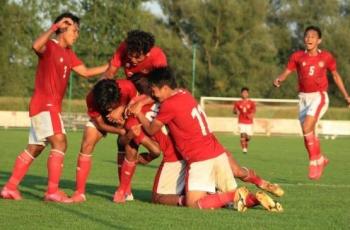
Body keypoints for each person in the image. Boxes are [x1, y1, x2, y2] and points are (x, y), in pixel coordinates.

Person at [130, 67, 283, 211]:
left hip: (200, 158)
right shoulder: (184, 93)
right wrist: (144, 100)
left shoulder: (169, 105)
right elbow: (157, 98)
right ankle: (255, 198)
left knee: (194, 203)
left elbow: (150, 129)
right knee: (230, 200)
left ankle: (234, 194)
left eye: (154, 90)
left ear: (164, 88)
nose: (153, 94)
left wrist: (138, 113)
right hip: (217, 152)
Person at [0, 12, 108, 202]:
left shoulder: (69, 54)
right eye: (74, 30)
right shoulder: (50, 45)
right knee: (60, 142)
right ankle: (52, 192)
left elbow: (86, 72)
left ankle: (9, 188)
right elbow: (35, 46)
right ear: (63, 29)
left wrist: (111, 65)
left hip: (45, 107)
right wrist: (53, 27)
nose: (77, 35)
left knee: (35, 148)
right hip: (45, 105)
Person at [273, 25, 350, 180]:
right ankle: (320, 159)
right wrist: (280, 78)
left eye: (313, 36)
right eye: (307, 36)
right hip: (303, 98)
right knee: (307, 133)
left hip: (319, 96)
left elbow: (335, 76)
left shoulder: (326, 57)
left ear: (319, 40)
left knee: (308, 126)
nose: (309, 39)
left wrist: (347, 96)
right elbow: (288, 70)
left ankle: (314, 162)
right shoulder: (297, 56)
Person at [102, 30, 168, 199]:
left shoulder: (157, 56)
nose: (131, 60)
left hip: (152, 103)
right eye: (130, 55)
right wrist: (108, 99)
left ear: (147, 53)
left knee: (158, 148)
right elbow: (110, 73)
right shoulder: (124, 48)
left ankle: (153, 152)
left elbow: (163, 88)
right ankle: (124, 190)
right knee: (125, 143)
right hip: (133, 100)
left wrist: (139, 102)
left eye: (137, 57)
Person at [70, 79, 137, 202]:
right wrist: (120, 131)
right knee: (87, 143)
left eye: (110, 105)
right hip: (103, 122)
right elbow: (100, 124)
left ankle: (125, 190)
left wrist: (121, 109)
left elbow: (137, 102)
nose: (108, 108)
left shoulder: (127, 86)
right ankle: (79, 193)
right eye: (105, 106)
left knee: (128, 146)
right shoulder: (91, 97)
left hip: (127, 116)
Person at [233, 87, 256, 154]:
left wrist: (251, 114)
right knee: (242, 135)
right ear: (241, 94)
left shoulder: (251, 103)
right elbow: (234, 110)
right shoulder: (237, 103)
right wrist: (236, 112)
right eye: (243, 93)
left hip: (249, 122)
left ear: (248, 94)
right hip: (241, 122)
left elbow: (254, 111)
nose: (244, 94)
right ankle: (244, 149)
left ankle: (245, 145)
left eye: (246, 93)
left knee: (248, 137)